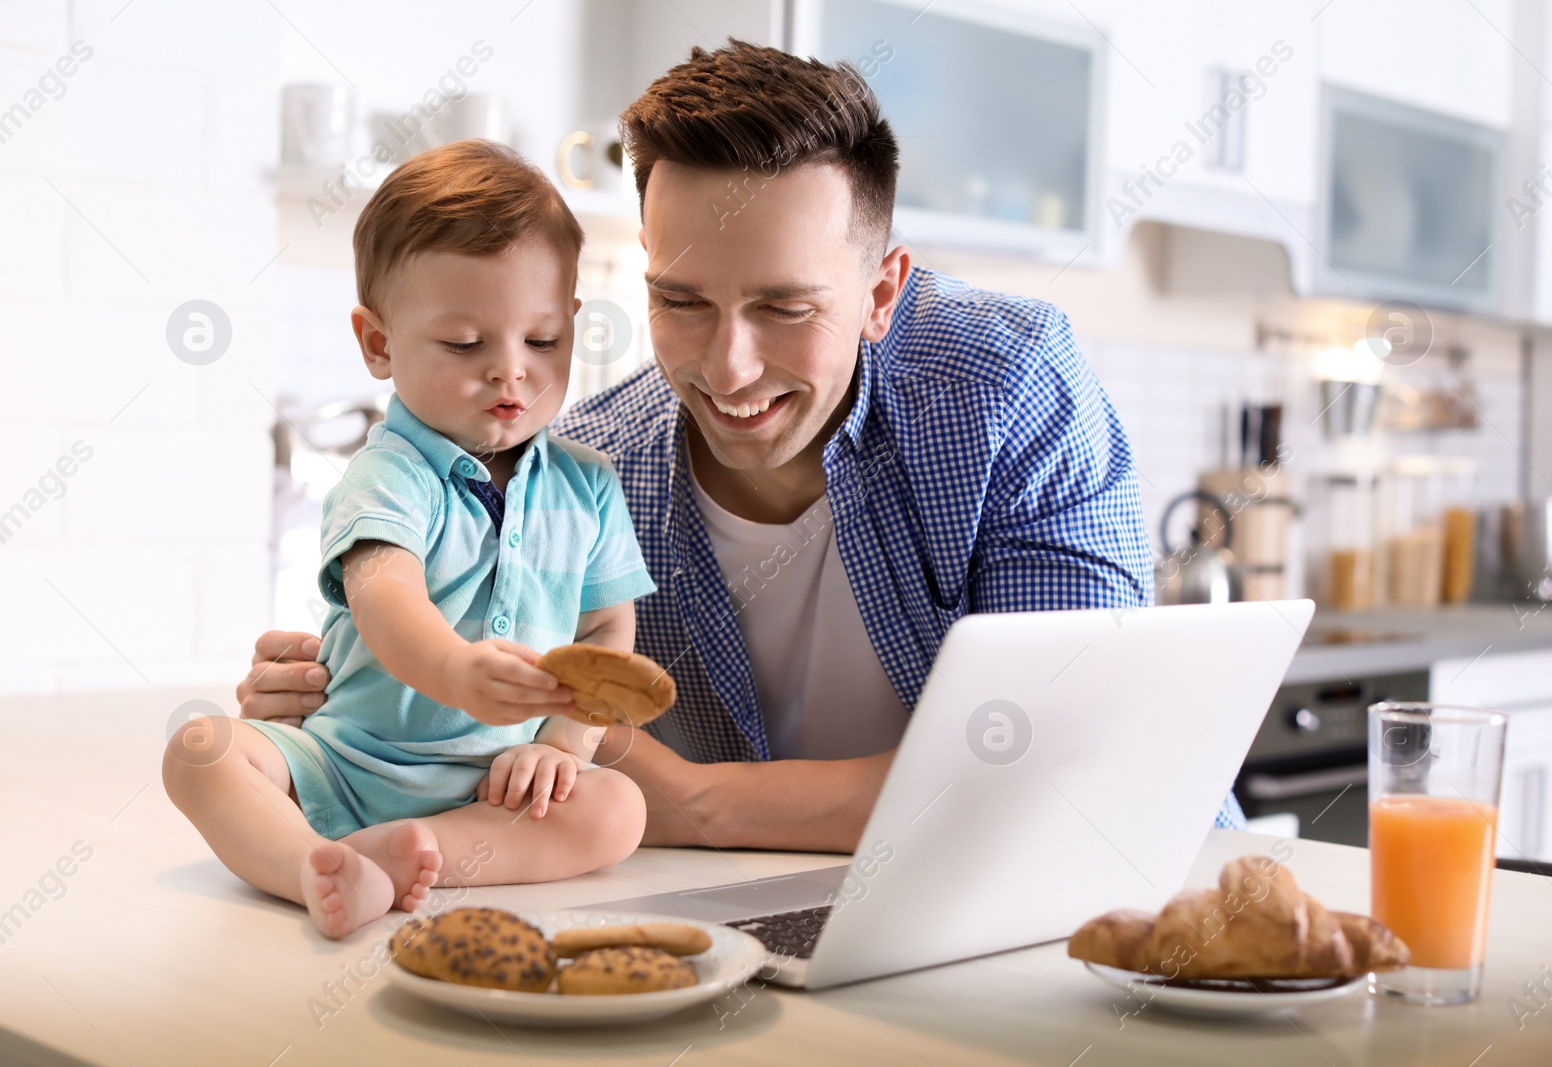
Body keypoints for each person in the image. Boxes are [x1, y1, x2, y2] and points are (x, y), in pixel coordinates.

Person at [237, 42, 1246, 856]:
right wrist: (358, 698)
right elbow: (499, 721)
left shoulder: (1004, 388)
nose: (728, 365)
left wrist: (695, 802)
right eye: (680, 301)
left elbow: (1065, 759)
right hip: (771, 909)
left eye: (784, 306)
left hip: (1107, 897)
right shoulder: (590, 468)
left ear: (881, 292)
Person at [165, 141, 654, 939]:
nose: (511, 373)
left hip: (489, 787)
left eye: (543, 342)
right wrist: (456, 669)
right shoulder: (388, 475)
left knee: (617, 810)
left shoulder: (590, 485)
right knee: (199, 749)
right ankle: (305, 862)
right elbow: (385, 594)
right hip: (344, 762)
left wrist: (565, 744)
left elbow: (604, 630)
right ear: (378, 343)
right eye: (466, 344)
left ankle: (396, 857)